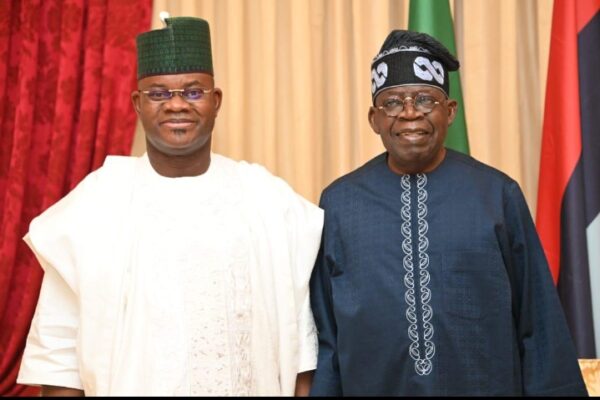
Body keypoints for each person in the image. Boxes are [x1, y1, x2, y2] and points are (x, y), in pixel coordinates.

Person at [17, 15, 323, 396]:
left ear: (216, 101)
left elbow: (302, 347)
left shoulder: (268, 201)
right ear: (136, 103)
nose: (176, 105)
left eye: (193, 91)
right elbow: (59, 356)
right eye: (158, 93)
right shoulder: (94, 207)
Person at [309, 29, 588, 396]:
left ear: (450, 111)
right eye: (392, 103)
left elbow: (538, 324)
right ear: (374, 118)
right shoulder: (340, 203)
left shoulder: (496, 195)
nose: (409, 114)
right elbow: (327, 336)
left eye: (425, 99)